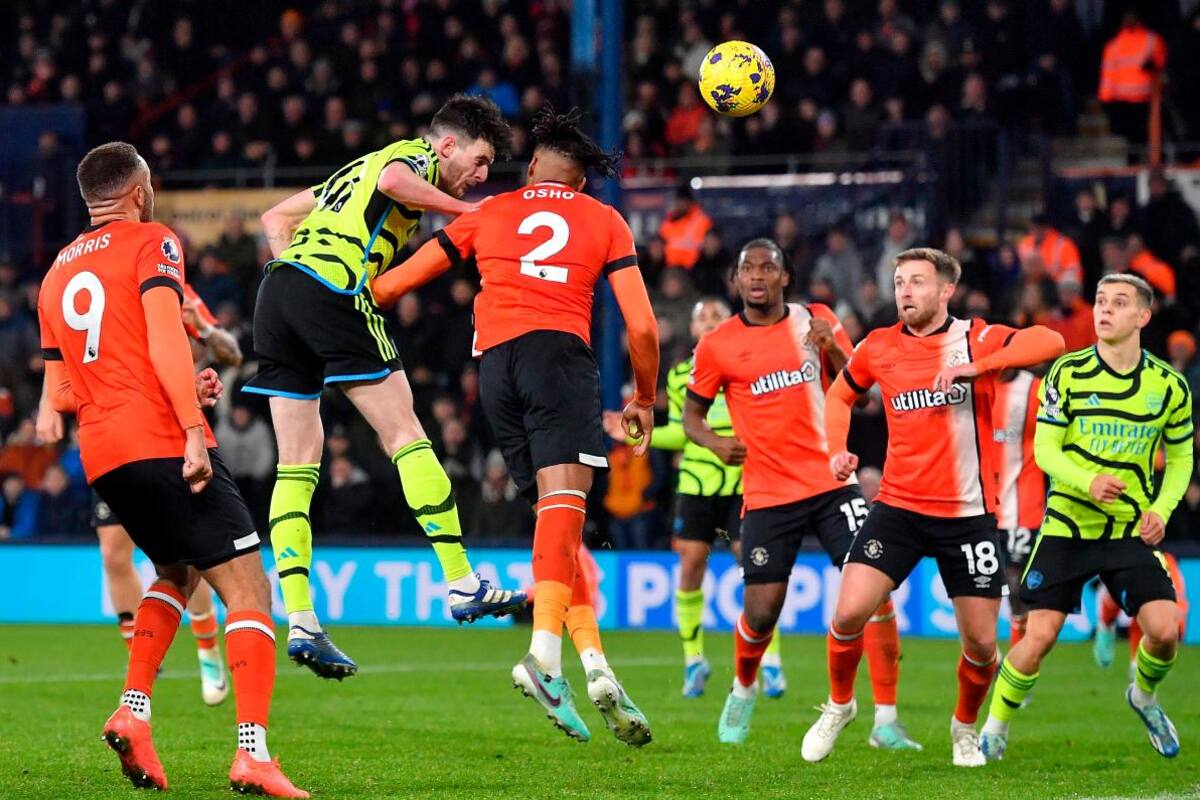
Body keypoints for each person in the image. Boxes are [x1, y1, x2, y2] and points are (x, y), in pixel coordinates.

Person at [372, 105, 660, 746]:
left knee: (557, 522)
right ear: (582, 180)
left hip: (494, 368)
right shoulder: (604, 219)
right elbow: (641, 326)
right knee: (565, 508)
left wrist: (342, 287)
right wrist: (643, 395)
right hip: (557, 357)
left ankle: (596, 667)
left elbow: (394, 287)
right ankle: (545, 658)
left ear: (532, 168)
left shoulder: (492, 211)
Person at [37, 142, 305, 796]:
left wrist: (180, 392)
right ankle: (252, 753)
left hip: (103, 456)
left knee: (178, 573)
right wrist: (189, 426)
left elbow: (62, 394)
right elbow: (162, 337)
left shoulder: (54, 275)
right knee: (248, 588)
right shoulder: (151, 241)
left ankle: (133, 712)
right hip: (162, 441)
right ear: (138, 190)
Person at [249, 94, 525, 678]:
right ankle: (461, 582)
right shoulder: (410, 157)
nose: (480, 175)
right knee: (405, 434)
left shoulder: (350, 173)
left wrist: (296, 278)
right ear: (446, 144)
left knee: (297, 463)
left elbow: (274, 219)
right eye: (478, 160)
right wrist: (465, 211)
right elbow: (401, 180)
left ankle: (301, 620)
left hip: (276, 297)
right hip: (334, 288)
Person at [802, 247, 1065, 767]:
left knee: (983, 646)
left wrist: (979, 367)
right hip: (898, 507)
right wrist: (837, 450)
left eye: (918, 282)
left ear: (946, 290)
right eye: (900, 281)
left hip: (967, 516)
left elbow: (1052, 341)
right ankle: (839, 705)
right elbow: (839, 397)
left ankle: (964, 729)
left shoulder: (977, 337)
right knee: (850, 610)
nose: (905, 291)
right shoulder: (879, 346)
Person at [684, 239, 916, 750]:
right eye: (748, 268)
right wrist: (716, 442)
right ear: (736, 279)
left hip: (832, 480)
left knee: (875, 592)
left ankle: (885, 720)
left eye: (768, 267)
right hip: (768, 491)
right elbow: (691, 417)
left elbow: (864, 388)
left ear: (786, 276)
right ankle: (743, 687)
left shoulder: (817, 318)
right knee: (763, 611)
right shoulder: (718, 344)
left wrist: (831, 346)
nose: (758, 275)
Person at [981, 274, 1193, 761]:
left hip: (1128, 528)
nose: (1104, 309)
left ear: (1143, 316)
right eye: (1100, 301)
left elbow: (1181, 459)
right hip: (1067, 526)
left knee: (1164, 631)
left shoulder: (1169, 386)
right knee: (1039, 637)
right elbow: (1047, 450)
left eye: (1119, 303)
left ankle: (1142, 696)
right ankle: (994, 727)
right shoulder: (1068, 372)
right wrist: (1087, 481)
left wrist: (1161, 509)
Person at [39, 279, 245, 707]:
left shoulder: (168, 281)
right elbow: (62, 353)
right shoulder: (90, 279)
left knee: (188, 557)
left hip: (168, 431)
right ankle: (143, 662)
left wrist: (204, 330)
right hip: (113, 436)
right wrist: (48, 404)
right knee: (114, 553)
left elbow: (232, 355)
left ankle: (207, 649)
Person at [603, 297, 788, 700]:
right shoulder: (680, 374)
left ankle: (769, 662)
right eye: (701, 318)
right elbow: (682, 430)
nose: (709, 322)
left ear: (731, 323)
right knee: (689, 564)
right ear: (692, 331)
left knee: (754, 569)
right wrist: (634, 434)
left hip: (743, 482)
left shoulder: (750, 365)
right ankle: (693, 660)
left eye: (716, 316)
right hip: (695, 484)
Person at [991, 369, 1046, 653]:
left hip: (1022, 507)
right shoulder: (975, 385)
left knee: (1015, 586)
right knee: (978, 585)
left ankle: (1016, 661)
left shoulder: (1036, 390)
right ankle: (989, 654)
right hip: (980, 505)